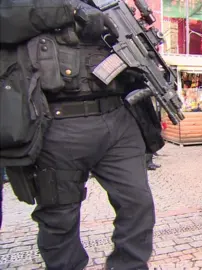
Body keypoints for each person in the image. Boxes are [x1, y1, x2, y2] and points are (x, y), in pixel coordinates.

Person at [0, 0, 163, 269]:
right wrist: (70, 10)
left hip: (118, 118)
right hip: (56, 123)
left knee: (138, 205)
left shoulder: (109, 4)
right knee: (59, 218)